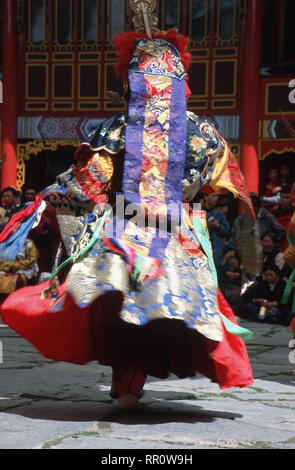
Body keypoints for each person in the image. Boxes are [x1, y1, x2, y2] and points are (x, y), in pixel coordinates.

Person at [0, 28, 254, 409]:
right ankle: (134, 379)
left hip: (124, 228)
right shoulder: (206, 133)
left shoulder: (118, 127)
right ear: (181, 80)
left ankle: (125, 379)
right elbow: (222, 184)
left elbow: (88, 184)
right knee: (167, 310)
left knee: (122, 308)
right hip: (179, 233)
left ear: (132, 81)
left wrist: (47, 199)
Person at [199, 187, 229, 272]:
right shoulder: (198, 210)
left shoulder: (219, 213)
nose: (216, 198)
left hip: (215, 252)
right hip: (201, 250)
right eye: (213, 196)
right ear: (205, 197)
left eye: (217, 196)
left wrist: (218, 226)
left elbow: (226, 232)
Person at [0, 238, 39, 303]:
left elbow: (31, 261)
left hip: (24, 270)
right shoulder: (5, 242)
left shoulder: (29, 243)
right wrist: (8, 266)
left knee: (18, 280)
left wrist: (14, 266)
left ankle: (14, 302)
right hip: (7, 269)